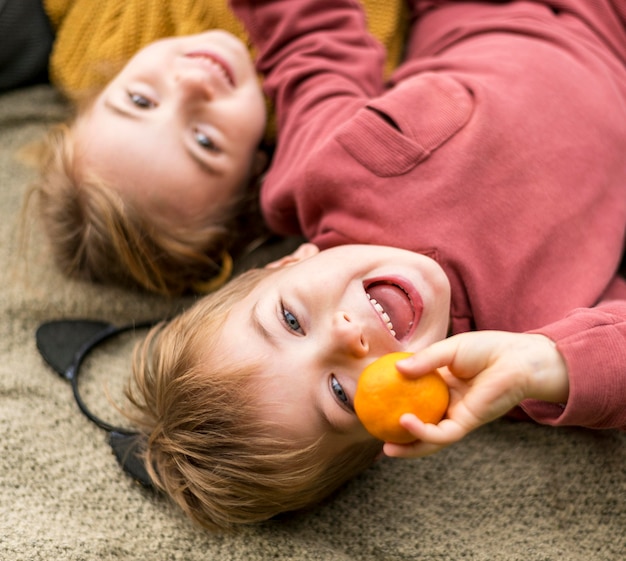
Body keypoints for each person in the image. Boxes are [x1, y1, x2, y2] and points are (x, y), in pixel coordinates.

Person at [124, 0, 626, 530]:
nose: (343, 337)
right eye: (341, 391)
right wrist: (546, 364)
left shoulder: (323, 171)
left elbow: (310, 36)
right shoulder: (517, 362)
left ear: (284, 265)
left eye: (291, 320)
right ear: (401, 426)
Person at [23, 0, 408, 295]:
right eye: (204, 140)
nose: (192, 83)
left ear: (92, 98)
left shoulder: (91, 44)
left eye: (140, 101)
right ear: (255, 172)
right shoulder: (324, 89)